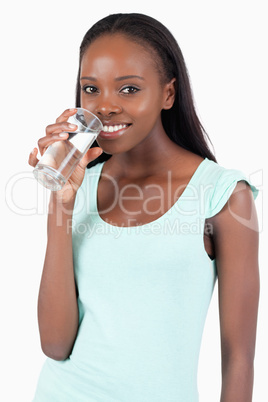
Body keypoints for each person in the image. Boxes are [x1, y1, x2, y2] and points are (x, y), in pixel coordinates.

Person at [28, 13, 259, 402]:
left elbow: (239, 358)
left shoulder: (222, 195)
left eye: (129, 89)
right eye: (90, 89)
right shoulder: (79, 185)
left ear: (168, 94)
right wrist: (61, 204)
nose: (105, 107)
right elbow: (55, 344)